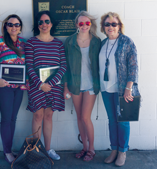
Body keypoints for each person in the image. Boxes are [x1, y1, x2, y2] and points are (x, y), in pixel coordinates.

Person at [99, 12, 140, 166]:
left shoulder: (127, 42)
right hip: (106, 89)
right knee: (112, 120)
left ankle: (122, 152)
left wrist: (129, 88)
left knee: (123, 121)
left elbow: (134, 67)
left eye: (113, 24)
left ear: (119, 26)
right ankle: (114, 150)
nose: (110, 27)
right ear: (103, 27)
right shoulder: (103, 44)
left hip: (122, 89)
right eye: (107, 24)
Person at [25, 10, 66, 161]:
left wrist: (51, 83)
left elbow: (63, 66)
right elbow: (29, 66)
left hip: (54, 87)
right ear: (38, 25)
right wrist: (40, 84)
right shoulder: (31, 42)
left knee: (48, 116)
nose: (44, 24)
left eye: (47, 21)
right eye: (41, 22)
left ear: (51, 24)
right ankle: (35, 151)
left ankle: (48, 149)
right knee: (38, 115)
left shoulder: (58, 43)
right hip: (37, 86)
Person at [63, 11, 101, 162]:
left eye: (87, 23)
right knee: (79, 117)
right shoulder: (70, 41)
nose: (84, 26)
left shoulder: (97, 41)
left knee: (86, 118)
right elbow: (65, 66)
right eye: (81, 23)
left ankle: (92, 148)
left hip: (92, 84)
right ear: (76, 24)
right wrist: (66, 87)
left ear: (90, 24)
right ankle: (84, 147)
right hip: (75, 84)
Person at [0, 14, 27, 164]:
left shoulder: (24, 43)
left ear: (20, 27)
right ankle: (7, 151)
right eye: (10, 24)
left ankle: (9, 149)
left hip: (20, 87)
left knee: (13, 118)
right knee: (6, 119)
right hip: (5, 87)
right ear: (6, 26)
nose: (14, 27)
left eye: (17, 24)